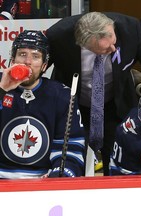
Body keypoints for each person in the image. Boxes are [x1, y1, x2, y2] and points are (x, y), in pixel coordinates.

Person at [45, 12, 141, 176]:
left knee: (116, 165)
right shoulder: (59, 36)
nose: (113, 48)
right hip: (74, 109)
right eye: (105, 49)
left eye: (113, 39)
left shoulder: (129, 28)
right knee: (73, 166)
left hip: (116, 106)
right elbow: (37, 68)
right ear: (85, 45)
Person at [0, 30, 86, 178]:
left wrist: (59, 174)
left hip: (41, 182)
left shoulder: (61, 96)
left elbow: (72, 146)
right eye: (22, 54)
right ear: (12, 60)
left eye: (35, 56)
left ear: (44, 66)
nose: (27, 61)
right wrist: (2, 90)